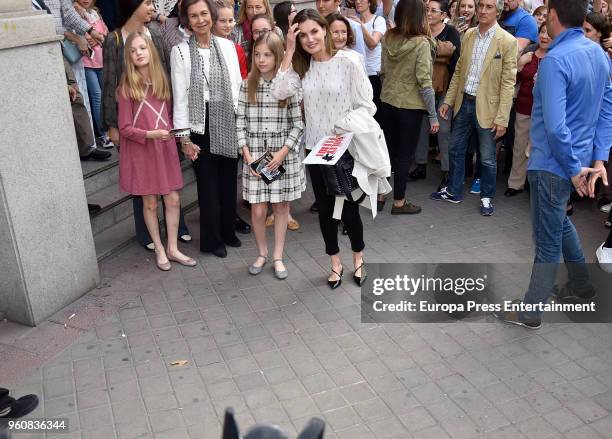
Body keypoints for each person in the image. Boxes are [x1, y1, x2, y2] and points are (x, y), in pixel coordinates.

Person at [496, 0, 612, 329]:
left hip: (552, 164)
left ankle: (531, 309)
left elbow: (557, 127)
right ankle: (582, 285)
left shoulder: (556, 60)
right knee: (559, 224)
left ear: (556, 17)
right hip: (571, 163)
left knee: (547, 238)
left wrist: (577, 169)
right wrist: (596, 159)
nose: (544, 21)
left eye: (547, 15)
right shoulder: (599, 55)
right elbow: (607, 109)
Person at [272, 9, 372, 289]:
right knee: (327, 212)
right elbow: (278, 92)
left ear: (325, 29)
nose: (309, 39)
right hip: (315, 151)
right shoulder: (302, 67)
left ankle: (359, 258)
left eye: (314, 31)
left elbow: (367, 104)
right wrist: (289, 51)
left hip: (344, 149)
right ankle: (335, 263)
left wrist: (342, 129)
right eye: (302, 35)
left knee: (350, 210)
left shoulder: (349, 60)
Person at [102, 0, 192, 251]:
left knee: (169, 186)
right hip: (132, 115)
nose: (152, 7)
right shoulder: (114, 39)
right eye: (147, 2)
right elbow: (109, 81)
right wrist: (111, 123)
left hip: (160, 108)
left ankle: (178, 229)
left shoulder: (155, 32)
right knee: (142, 184)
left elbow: (166, 71)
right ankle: (148, 235)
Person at [117, 32, 196, 270]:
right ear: (128, 57)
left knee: (172, 199)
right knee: (150, 202)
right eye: (133, 50)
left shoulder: (162, 83)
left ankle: (172, 248)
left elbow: (171, 117)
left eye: (143, 48)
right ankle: (159, 248)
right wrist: (150, 135)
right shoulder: (126, 89)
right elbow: (124, 128)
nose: (139, 53)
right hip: (143, 152)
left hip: (165, 149)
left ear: (151, 50)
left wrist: (184, 141)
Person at [432, 0, 518, 216]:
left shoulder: (507, 41)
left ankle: (487, 197)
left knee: (487, 158)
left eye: (488, 7)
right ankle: (454, 191)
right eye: (480, 6)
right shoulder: (469, 34)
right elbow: (460, 70)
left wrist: (502, 118)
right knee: (455, 148)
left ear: (497, 11)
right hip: (464, 102)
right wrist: (448, 101)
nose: (482, 10)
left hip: (488, 108)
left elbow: (508, 82)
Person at [172, 0, 243, 258]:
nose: (200, 20)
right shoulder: (179, 52)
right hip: (199, 124)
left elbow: (238, 87)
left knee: (228, 182)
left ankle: (227, 231)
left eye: (204, 14)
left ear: (211, 16)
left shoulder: (227, 46)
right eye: (194, 16)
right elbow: (180, 97)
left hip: (227, 118)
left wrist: (241, 123)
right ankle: (211, 241)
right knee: (207, 186)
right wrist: (184, 138)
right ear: (186, 20)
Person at [237, 33, 305, 279]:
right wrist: (246, 154)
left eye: (267, 54)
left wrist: (283, 152)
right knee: (256, 210)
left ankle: (277, 255)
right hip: (254, 154)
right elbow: (239, 122)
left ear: (278, 56)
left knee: (280, 207)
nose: (261, 59)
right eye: (257, 54)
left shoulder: (288, 84)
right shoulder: (247, 84)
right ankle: (262, 252)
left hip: (279, 154)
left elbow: (298, 124)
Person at [380, 0, 439, 214]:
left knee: (386, 152)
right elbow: (425, 83)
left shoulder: (388, 37)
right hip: (409, 107)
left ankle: (380, 194)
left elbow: (383, 70)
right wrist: (433, 116)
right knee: (404, 156)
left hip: (387, 101)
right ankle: (399, 202)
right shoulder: (422, 43)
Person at [411, 0, 461, 191]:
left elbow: (455, 60)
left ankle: (447, 172)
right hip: (421, 88)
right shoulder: (419, 30)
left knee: (444, 130)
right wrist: (441, 51)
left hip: (443, 89)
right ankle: (421, 165)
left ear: (444, 14)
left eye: (433, 10)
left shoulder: (452, 32)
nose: (429, 13)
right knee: (421, 128)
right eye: (426, 10)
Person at [505, 24, 549, 197]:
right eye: (542, 32)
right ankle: (516, 183)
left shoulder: (557, 56)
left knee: (541, 149)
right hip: (524, 106)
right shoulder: (529, 52)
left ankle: (537, 186)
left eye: (548, 33)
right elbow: (511, 79)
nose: (544, 36)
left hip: (547, 112)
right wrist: (520, 64)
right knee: (520, 146)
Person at [76, 0, 112, 148]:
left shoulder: (95, 12)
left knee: (104, 95)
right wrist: (95, 38)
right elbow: (84, 37)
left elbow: (105, 33)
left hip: (101, 59)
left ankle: (110, 130)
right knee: (97, 96)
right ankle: (103, 134)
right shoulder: (75, 13)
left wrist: (98, 38)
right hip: (86, 61)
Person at [352, 0, 386, 122]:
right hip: (357, 73)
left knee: (376, 114)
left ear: (370, 2)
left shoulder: (379, 20)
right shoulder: (353, 21)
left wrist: (360, 25)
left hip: (374, 74)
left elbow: (372, 43)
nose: (358, 2)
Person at [214, 0, 248, 78]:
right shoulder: (205, 46)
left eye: (230, 20)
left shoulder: (237, 49)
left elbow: (243, 77)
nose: (228, 25)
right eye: (222, 21)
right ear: (212, 21)